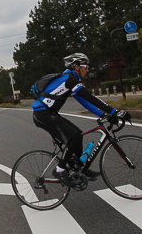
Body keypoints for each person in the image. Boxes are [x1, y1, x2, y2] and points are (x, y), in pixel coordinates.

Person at [32, 53, 131, 186]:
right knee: (74, 137)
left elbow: (85, 102)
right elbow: (90, 97)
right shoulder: (70, 79)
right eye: (86, 66)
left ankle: (79, 168)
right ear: (76, 66)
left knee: (78, 134)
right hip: (43, 115)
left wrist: (103, 115)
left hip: (48, 113)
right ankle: (60, 170)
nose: (88, 69)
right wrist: (114, 112)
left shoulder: (70, 80)